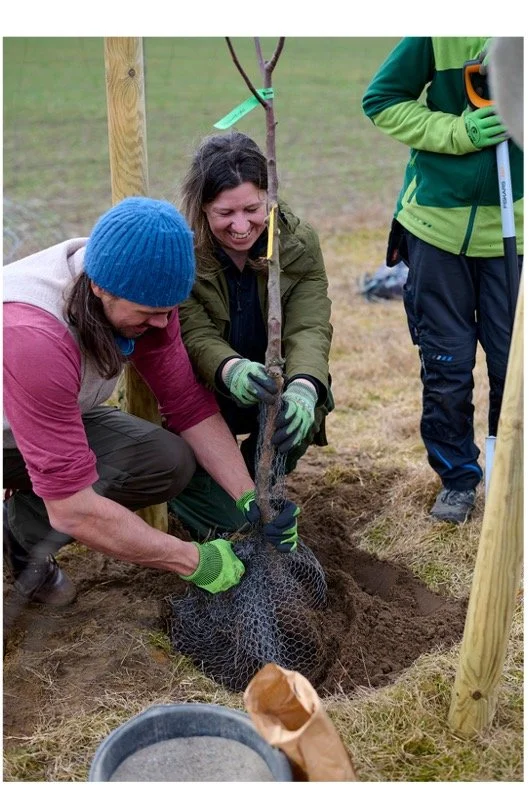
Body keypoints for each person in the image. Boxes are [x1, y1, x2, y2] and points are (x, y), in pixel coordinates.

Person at [3, 196, 300, 607]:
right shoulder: (34, 336)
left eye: (169, 311)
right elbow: (73, 509)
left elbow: (189, 406)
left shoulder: (143, 286)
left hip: (44, 415)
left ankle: (18, 534)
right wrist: (192, 560)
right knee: (67, 503)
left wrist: (250, 496)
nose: (163, 324)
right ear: (99, 287)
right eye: (150, 314)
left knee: (165, 459)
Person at [362, 37, 523, 524]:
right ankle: (458, 478)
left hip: (515, 236)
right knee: (447, 367)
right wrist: (459, 131)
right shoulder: (440, 27)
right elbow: (382, 100)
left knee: (512, 368)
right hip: (435, 231)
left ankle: (510, 475)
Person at [168, 131, 334, 540]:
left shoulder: (296, 243)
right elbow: (192, 331)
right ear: (202, 207)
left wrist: (305, 387)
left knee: (303, 411)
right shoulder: (181, 251)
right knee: (234, 522)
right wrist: (230, 369)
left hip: (268, 389)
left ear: (269, 196)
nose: (241, 226)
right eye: (225, 213)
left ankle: (260, 483)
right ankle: (217, 496)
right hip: (202, 394)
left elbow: (308, 325)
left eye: (252, 209)